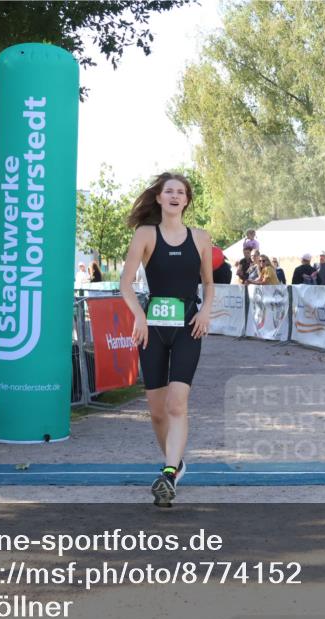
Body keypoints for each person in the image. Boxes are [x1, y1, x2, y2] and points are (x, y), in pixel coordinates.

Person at [120, 172, 213, 508]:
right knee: (157, 412)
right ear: (159, 198)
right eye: (168, 191)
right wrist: (139, 317)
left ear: (187, 200)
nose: (174, 196)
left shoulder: (201, 237)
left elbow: (209, 283)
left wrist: (205, 312)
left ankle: (169, 471)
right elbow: (126, 284)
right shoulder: (145, 234)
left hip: (189, 327)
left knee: (177, 403)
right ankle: (176, 465)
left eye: (181, 192)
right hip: (153, 330)